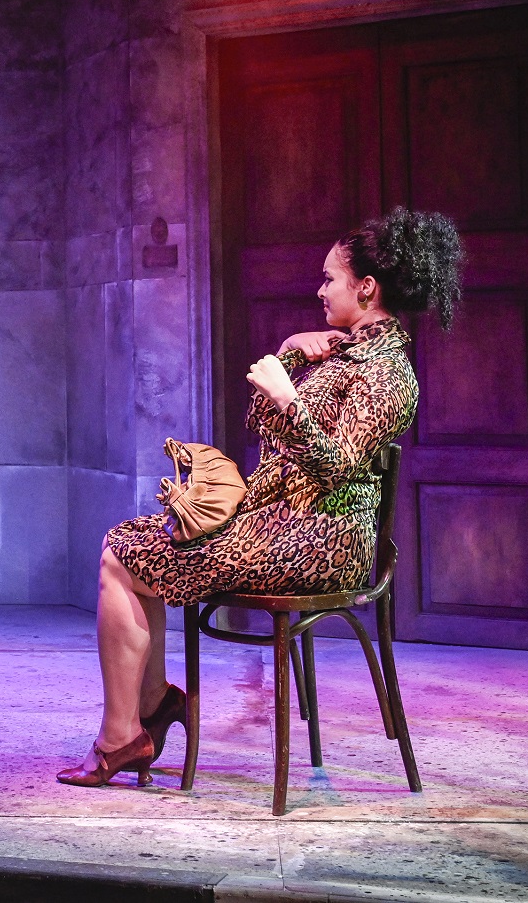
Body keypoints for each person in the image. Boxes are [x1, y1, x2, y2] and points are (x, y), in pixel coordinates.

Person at [59, 207, 463, 787]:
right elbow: (262, 424)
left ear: (366, 288)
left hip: (321, 540)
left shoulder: (390, 373)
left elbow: (338, 463)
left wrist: (289, 399)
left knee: (123, 558)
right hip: (281, 523)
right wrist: (293, 350)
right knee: (126, 545)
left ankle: (129, 729)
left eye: (330, 278)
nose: (320, 289)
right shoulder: (342, 353)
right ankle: (143, 713)